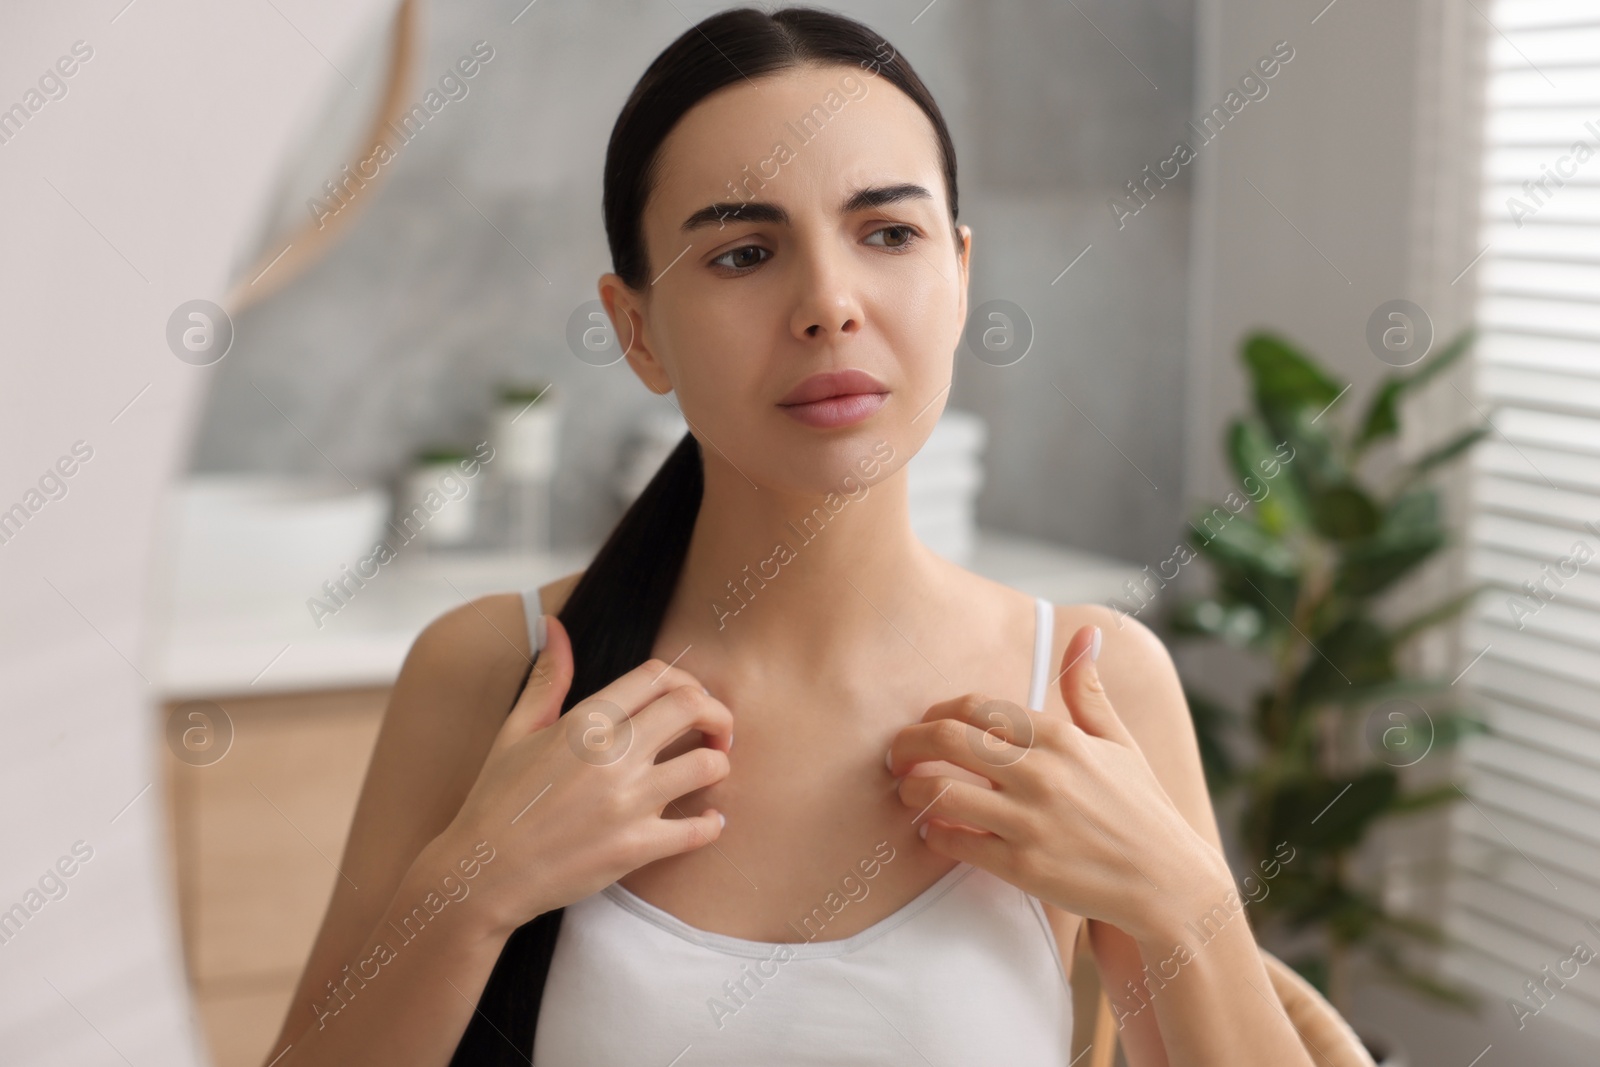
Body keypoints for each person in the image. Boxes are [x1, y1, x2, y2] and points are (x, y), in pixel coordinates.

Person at [266, 7, 1314, 1066]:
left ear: (957, 276)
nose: (828, 304)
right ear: (636, 329)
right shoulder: (495, 674)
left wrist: (1183, 906)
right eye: (744, 253)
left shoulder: (1092, 684)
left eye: (888, 233)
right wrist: (478, 884)